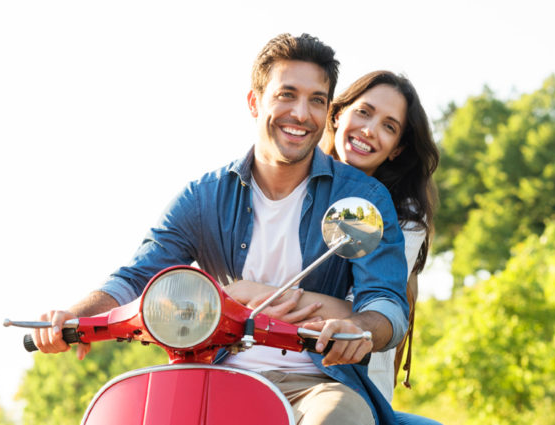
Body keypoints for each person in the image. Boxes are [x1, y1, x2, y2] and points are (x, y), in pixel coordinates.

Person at [34, 34, 409, 425]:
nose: (301, 113)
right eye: (286, 95)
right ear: (254, 102)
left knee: (338, 419)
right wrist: (73, 317)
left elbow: (385, 301)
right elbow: (136, 277)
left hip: (316, 384)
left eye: (316, 100)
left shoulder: (361, 199)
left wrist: (359, 329)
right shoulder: (204, 197)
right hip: (214, 375)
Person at [319, 71, 440, 424]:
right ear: (337, 114)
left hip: (361, 383)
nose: (370, 130)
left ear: (397, 149)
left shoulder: (405, 216)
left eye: (389, 126)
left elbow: (370, 309)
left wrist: (261, 293)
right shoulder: (294, 183)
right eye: (364, 112)